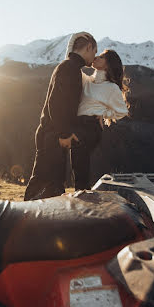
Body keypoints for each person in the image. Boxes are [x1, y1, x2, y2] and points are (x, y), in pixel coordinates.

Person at [24, 32, 97, 201]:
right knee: (46, 185)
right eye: (94, 51)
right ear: (88, 47)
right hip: (52, 136)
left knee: (51, 185)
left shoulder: (69, 67)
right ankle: (25, 221)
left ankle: (31, 221)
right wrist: (64, 133)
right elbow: (56, 104)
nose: (94, 58)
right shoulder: (69, 68)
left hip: (52, 134)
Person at [71, 49, 130, 190]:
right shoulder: (87, 81)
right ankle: (83, 195)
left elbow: (122, 111)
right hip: (78, 125)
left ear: (107, 65)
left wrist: (103, 113)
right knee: (77, 164)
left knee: (80, 163)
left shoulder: (111, 88)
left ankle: (82, 196)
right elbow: (71, 64)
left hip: (91, 126)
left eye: (101, 57)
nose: (96, 57)